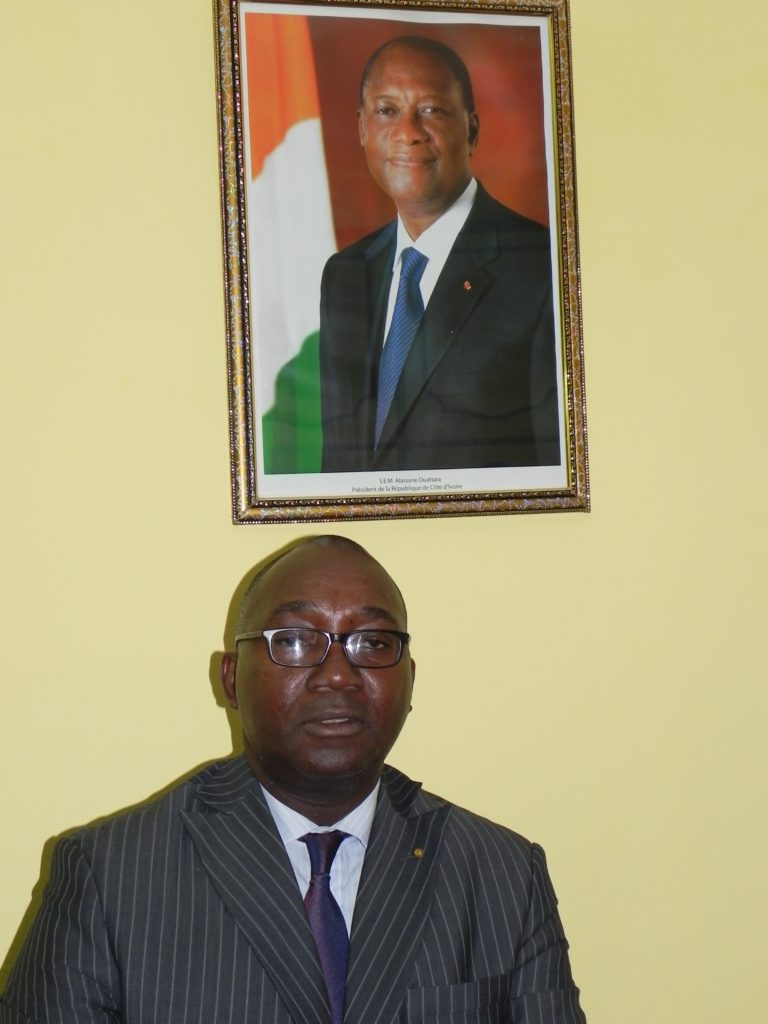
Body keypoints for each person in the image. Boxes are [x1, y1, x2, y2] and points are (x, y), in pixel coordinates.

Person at [0, 536, 586, 1023]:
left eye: (372, 642)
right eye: (296, 641)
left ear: (410, 679)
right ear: (230, 679)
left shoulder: (503, 874)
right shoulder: (110, 876)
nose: (338, 675)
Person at [320, 37, 562, 473]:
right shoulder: (345, 275)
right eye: (386, 110)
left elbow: (558, 476)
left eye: (430, 110)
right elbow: (336, 469)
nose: (407, 132)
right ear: (361, 128)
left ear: (471, 131)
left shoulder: (543, 270)